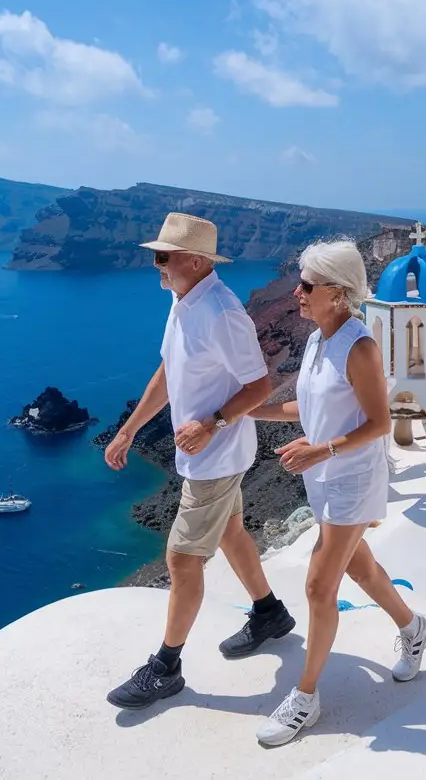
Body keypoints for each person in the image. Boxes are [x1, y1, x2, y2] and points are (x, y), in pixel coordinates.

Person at [249, 239, 426, 746]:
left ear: (337, 292)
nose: (297, 292)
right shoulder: (316, 340)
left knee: (317, 586)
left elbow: (379, 422)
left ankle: (305, 699)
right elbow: (307, 411)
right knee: (358, 566)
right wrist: (247, 413)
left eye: (308, 285)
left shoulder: (360, 346)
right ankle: (414, 626)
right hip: (326, 476)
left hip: (352, 479)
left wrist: (321, 450)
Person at [103, 212, 296, 710]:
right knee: (230, 531)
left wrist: (212, 423)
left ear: (194, 260)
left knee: (182, 559)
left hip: (216, 456)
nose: (156, 266)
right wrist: (129, 430)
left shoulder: (222, 313)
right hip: (207, 452)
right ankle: (269, 612)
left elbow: (259, 387)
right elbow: (169, 371)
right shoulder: (182, 301)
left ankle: (166, 666)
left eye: (162, 258)